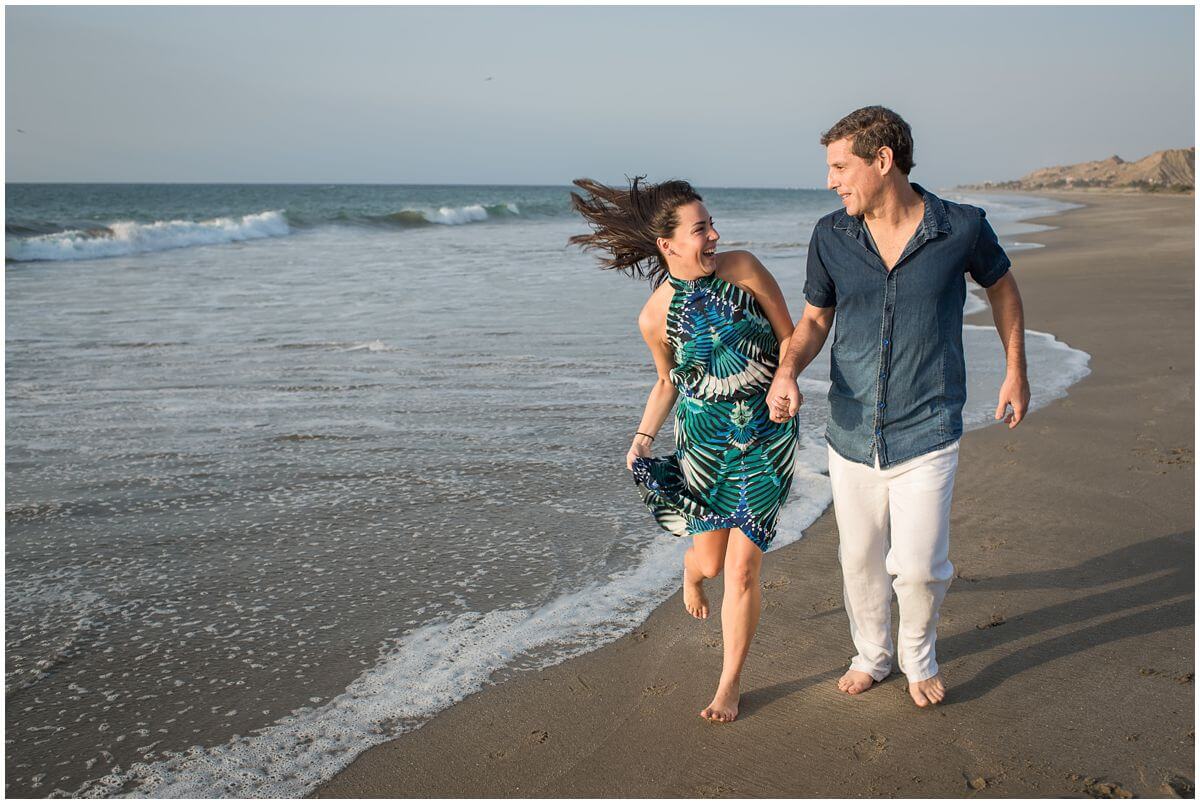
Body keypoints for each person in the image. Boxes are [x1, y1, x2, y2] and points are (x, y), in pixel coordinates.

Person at [766, 106, 1030, 708]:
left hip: (929, 425)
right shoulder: (830, 235)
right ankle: (873, 656)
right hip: (852, 428)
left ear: (882, 161)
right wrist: (786, 371)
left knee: (917, 568)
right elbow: (813, 321)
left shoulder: (960, 227)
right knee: (859, 559)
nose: (832, 181)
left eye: (840, 167)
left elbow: (1003, 287)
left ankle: (919, 655)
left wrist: (1015, 369)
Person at [570, 177, 798, 723]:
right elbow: (667, 382)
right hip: (703, 443)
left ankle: (729, 682)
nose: (715, 235)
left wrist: (787, 378)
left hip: (767, 432)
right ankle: (691, 572)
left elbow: (791, 336)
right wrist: (642, 439)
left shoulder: (742, 267)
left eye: (711, 223)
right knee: (713, 565)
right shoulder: (654, 316)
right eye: (701, 230)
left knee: (743, 569)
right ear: (668, 244)